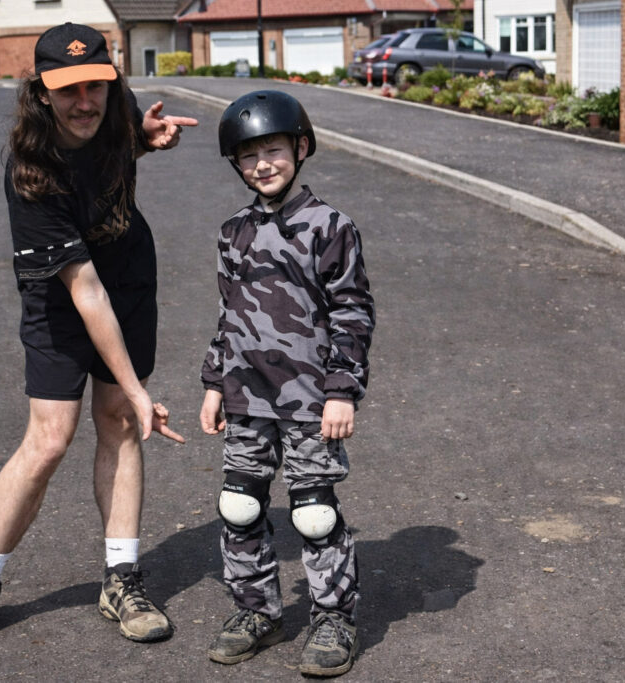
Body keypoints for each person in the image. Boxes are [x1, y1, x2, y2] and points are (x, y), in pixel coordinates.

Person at [0, 22, 197, 655]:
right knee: (49, 440)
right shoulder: (30, 172)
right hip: (63, 295)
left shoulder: (116, 109)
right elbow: (84, 290)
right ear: (41, 92)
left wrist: (145, 139)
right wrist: (137, 388)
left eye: (95, 87)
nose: (85, 102)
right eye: (68, 89)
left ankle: (122, 580)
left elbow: (116, 152)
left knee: (119, 423)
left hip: (128, 282)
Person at [199, 90, 375, 677]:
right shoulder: (233, 231)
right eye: (248, 156)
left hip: (310, 398)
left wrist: (341, 390)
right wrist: (215, 382)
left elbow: (352, 312)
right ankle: (257, 611)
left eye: (273, 150)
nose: (262, 165)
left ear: (300, 148)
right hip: (246, 393)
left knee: (313, 512)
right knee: (240, 504)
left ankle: (334, 619)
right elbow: (228, 313)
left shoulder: (330, 227)